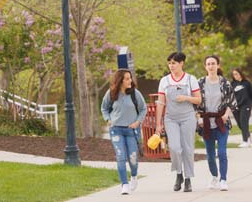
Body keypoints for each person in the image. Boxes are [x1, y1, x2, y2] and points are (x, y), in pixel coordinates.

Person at [155, 52, 201, 192]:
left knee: (187, 149)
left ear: (182, 63)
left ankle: (188, 179)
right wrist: (158, 124)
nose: (171, 65)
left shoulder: (190, 79)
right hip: (171, 118)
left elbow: (198, 100)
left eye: (174, 63)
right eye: (169, 63)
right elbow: (161, 103)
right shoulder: (164, 81)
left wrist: (186, 98)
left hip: (188, 117)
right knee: (174, 147)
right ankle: (178, 173)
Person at [101, 69, 147, 195]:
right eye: (127, 78)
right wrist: (108, 120)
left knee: (133, 159)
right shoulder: (111, 93)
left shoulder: (135, 94)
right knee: (120, 157)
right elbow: (104, 108)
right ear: (120, 80)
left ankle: (133, 176)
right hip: (116, 130)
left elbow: (143, 109)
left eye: (130, 78)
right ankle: (124, 184)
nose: (130, 80)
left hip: (131, 130)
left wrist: (138, 122)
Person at [197, 55, 237, 191]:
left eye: (213, 63)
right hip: (206, 123)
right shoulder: (200, 83)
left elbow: (231, 102)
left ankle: (223, 179)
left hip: (221, 122)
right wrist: (198, 118)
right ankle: (214, 176)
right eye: (208, 64)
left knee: (222, 152)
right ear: (205, 66)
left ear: (218, 65)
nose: (211, 66)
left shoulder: (225, 83)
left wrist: (226, 115)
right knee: (210, 155)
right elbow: (195, 103)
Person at [231, 68, 252, 148]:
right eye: (234, 74)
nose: (235, 76)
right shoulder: (232, 84)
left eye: (236, 74)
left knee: (244, 122)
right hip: (236, 107)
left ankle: (245, 141)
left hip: (246, 106)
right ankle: (249, 138)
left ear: (240, 73)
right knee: (240, 124)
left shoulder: (246, 83)